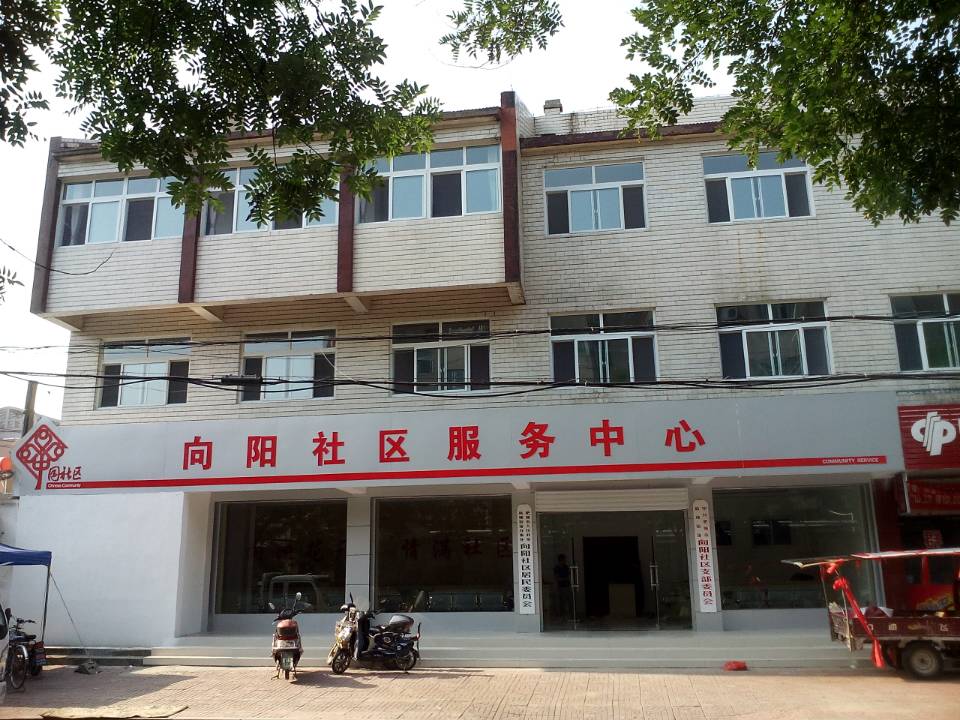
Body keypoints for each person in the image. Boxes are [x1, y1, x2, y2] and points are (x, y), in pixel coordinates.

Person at [553, 554, 573, 622]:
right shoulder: (557, 568)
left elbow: (568, 576)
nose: (564, 561)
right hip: (561, 586)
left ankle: (571, 615)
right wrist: (563, 579)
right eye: (563, 560)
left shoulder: (566, 567)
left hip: (567, 585)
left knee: (570, 600)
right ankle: (562, 615)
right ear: (560, 560)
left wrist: (564, 579)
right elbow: (557, 578)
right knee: (562, 601)